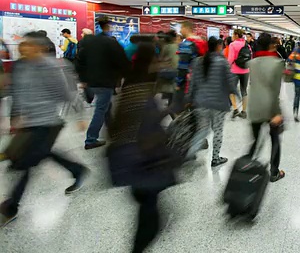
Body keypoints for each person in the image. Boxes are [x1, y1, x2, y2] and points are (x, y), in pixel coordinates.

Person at [1, 32, 89, 228]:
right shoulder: (20, 66)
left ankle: (11, 207)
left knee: (25, 163)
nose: (24, 49)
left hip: (47, 123)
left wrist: (80, 116)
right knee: (40, 155)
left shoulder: (52, 67)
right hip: (28, 123)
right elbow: (17, 93)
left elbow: (67, 94)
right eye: (23, 45)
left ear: (40, 48)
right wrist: (15, 117)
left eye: (29, 45)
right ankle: (77, 169)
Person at [106, 41, 177, 253]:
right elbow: (146, 125)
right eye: (156, 59)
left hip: (130, 159)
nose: (159, 63)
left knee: (149, 210)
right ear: (149, 62)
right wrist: (170, 111)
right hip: (142, 160)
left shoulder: (131, 85)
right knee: (151, 219)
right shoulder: (143, 90)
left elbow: (117, 122)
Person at [75, 17, 128, 149]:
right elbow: (122, 62)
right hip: (105, 81)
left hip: (91, 81)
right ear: (108, 27)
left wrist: (83, 79)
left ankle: (113, 132)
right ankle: (91, 139)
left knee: (105, 106)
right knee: (100, 109)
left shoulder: (89, 43)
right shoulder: (111, 43)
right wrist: (122, 78)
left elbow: (79, 61)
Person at [189, 37, 239, 167]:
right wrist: (237, 94)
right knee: (217, 131)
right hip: (218, 103)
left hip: (200, 103)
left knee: (202, 130)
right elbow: (229, 83)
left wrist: (188, 98)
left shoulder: (197, 62)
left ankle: (188, 153)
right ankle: (215, 158)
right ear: (218, 46)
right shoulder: (222, 62)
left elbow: (192, 83)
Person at [247, 33, 286, 182]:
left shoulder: (252, 63)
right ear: (271, 45)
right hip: (270, 108)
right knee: (275, 139)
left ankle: (247, 167)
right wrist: (276, 112)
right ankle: (274, 172)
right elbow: (275, 91)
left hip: (254, 105)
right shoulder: (277, 63)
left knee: (255, 140)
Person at [174, 21, 207, 113]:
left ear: (187, 28)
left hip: (188, 83)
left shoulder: (186, 45)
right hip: (201, 81)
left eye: (181, 28)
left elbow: (182, 67)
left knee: (179, 109)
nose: (180, 30)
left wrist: (178, 83)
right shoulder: (202, 43)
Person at [227, 29, 251, 118]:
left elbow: (230, 59)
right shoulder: (247, 45)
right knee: (244, 91)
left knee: (231, 90)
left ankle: (235, 109)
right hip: (245, 70)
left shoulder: (232, 45)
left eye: (233, 34)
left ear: (236, 35)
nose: (232, 36)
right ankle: (244, 111)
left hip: (234, 71)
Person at [156, 30, 179, 107]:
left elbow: (160, 59)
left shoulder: (166, 47)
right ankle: (170, 105)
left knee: (165, 89)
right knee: (172, 90)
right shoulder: (178, 46)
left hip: (167, 71)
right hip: (176, 71)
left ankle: (166, 106)